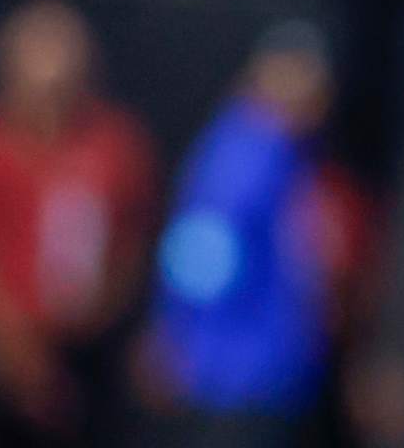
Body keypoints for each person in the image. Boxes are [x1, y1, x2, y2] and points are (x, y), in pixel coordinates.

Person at [0, 0, 158, 448]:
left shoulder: (116, 144)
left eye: (63, 88)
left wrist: (89, 324)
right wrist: (15, 359)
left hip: (87, 356)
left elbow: (134, 244)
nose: (50, 107)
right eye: (37, 89)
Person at [140, 24, 368, 448]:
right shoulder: (248, 148)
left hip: (271, 373)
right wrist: (178, 336)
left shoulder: (290, 150)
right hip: (234, 376)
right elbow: (200, 249)